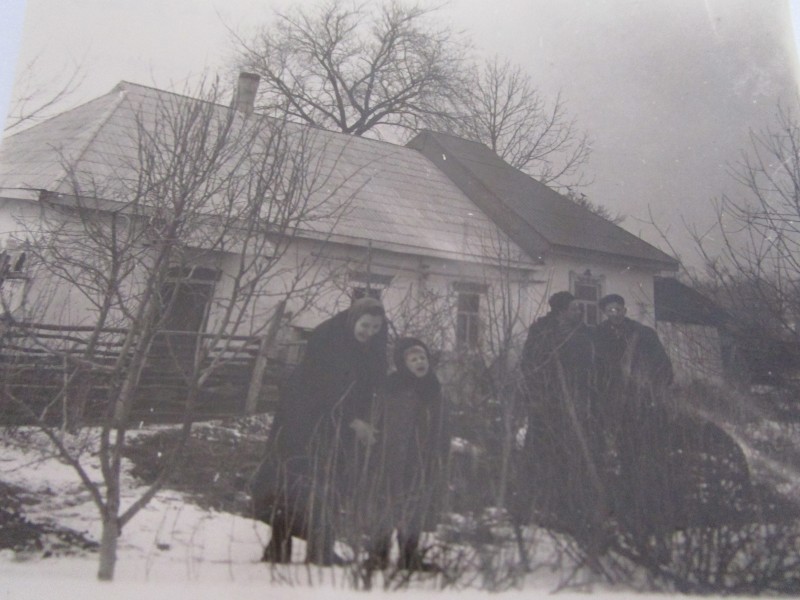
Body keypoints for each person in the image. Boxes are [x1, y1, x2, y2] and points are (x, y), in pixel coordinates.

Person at [250, 298, 388, 565]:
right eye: (365, 325)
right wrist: (354, 422)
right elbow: (322, 386)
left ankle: (320, 549)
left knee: (332, 480)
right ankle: (278, 546)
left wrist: (370, 418)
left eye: (376, 327)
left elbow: (374, 382)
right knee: (292, 478)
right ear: (354, 319)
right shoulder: (328, 337)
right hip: (302, 418)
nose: (370, 332)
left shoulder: (373, 345)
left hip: (338, 422)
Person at [514, 291, 605, 546]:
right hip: (547, 403)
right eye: (574, 307)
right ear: (561, 310)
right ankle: (537, 505)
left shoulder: (585, 333)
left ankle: (568, 506)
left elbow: (595, 367)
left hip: (578, 402)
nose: (580, 311)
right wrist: (537, 395)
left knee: (573, 453)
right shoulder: (542, 332)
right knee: (543, 452)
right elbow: (529, 364)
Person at [592, 293, 676, 550]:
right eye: (610, 310)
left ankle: (647, 508)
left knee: (643, 455)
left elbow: (663, 366)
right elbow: (593, 369)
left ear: (625, 310)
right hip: (611, 403)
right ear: (604, 313)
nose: (615, 314)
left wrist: (652, 389)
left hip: (642, 403)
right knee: (614, 454)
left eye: (618, 309)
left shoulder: (643, 334)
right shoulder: (597, 336)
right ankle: (619, 506)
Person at [361, 338, 449, 571]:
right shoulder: (392, 386)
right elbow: (377, 418)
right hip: (389, 456)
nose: (420, 362)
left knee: (413, 506)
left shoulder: (433, 388)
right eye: (413, 359)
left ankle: (409, 557)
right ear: (403, 363)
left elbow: (442, 425)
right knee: (385, 504)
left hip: (419, 457)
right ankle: (378, 555)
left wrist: (439, 453)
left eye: (423, 358)